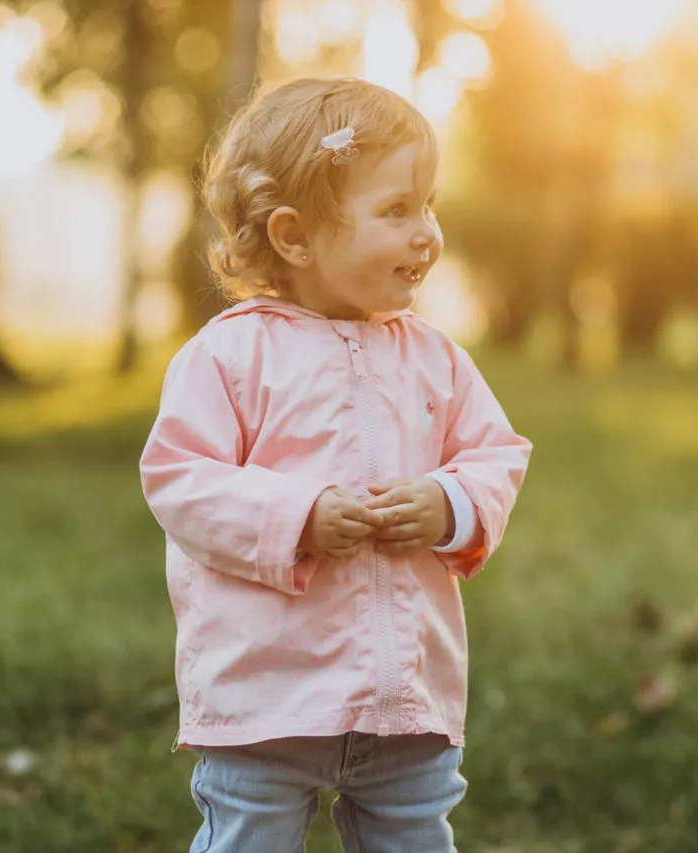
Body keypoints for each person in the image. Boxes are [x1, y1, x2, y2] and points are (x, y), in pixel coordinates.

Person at [139, 76, 532, 852]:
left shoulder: (436, 360)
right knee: (249, 837)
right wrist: (299, 517)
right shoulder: (228, 354)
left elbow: (496, 451)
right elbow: (181, 479)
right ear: (295, 237)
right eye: (396, 210)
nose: (426, 232)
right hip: (268, 695)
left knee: (416, 836)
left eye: (429, 205)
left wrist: (452, 502)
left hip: (403, 694)